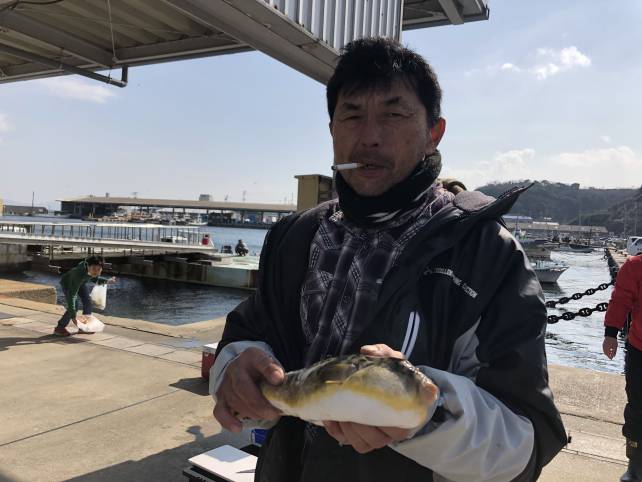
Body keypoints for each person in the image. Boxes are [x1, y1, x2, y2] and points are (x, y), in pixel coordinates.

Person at [210, 38, 566, 481]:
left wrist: (422, 412)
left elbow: (526, 442)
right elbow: (251, 329)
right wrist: (234, 366)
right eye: (352, 115)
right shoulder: (294, 236)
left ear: (434, 133)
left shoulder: (488, 254)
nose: (369, 137)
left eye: (394, 115)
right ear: (332, 129)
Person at [604, 253, 642, 481]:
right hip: (640, 350)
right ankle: (635, 465)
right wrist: (611, 333)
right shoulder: (635, 265)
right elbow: (620, 300)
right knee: (637, 409)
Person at [53, 256, 115, 337]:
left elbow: (94, 278)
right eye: (94, 269)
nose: (96, 272)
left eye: (99, 269)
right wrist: (73, 317)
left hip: (81, 283)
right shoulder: (78, 273)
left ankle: (85, 327)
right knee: (74, 306)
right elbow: (72, 296)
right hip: (68, 284)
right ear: (88, 266)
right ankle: (60, 328)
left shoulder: (90, 269)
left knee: (88, 301)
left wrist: (107, 281)